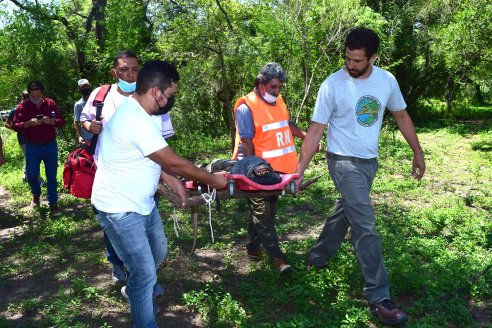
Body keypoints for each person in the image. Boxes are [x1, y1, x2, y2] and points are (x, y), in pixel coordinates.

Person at [295, 27, 425, 326]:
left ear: (373, 57)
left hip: (369, 162)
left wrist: (417, 152)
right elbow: (315, 129)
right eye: (348, 59)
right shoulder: (332, 85)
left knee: (347, 211)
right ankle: (379, 297)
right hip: (341, 160)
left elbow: (401, 115)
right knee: (365, 224)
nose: (351, 66)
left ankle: (317, 258)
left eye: (357, 61)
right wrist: (299, 171)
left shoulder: (386, 80)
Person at [92, 59, 227, 327]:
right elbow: (174, 160)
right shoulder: (134, 119)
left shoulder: (146, 115)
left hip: (142, 203)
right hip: (119, 210)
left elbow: (154, 157)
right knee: (143, 275)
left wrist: (171, 179)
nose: (169, 101)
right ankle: (141, 303)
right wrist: (214, 180)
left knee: (159, 251)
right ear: (155, 91)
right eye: (169, 95)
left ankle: (134, 290)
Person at [80, 51, 174, 287]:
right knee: (117, 230)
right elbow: (83, 119)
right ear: (115, 72)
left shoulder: (155, 97)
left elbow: (162, 142)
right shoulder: (101, 95)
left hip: (145, 176)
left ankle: (144, 276)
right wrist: (90, 125)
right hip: (111, 177)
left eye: (134, 69)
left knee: (147, 233)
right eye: (124, 69)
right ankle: (123, 267)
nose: (130, 74)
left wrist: (169, 174)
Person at [232, 62, 307, 274]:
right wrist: (253, 174)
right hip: (256, 171)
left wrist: (304, 136)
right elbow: (247, 144)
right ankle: (278, 259)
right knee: (263, 213)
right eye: (273, 87)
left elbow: (286, 124)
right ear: (261, 84)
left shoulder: (278, 101)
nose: (277, 91)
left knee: (267, 211)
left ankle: (253, 247)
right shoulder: (247, 107)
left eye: (280, 87)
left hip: (277, 171)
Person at [12, 80, 65, 213]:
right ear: (29, 94)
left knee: (51, 176)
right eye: (33, 96)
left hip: (50, 145)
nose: (36, 98)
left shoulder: (50, 103)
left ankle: (53, 203)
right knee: (31, 175)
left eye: (38, 95)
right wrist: (28, 123)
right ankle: (36, 194)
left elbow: (61, 121)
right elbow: (15, 125)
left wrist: (51, 121)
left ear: (42, 93)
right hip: (32, 146)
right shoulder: (23, 106)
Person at [5, 91, 43, 184]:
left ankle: (25, 177)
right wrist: (18, 129)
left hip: (33, 137)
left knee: (31, 157)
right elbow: (6, 124)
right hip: (23, 139)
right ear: (23, 98)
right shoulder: (15, 110)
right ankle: (37, 180)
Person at [73, 79, 93, 144]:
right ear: (79, 89)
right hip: (87, 138)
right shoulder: (78, 105)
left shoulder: (98, 100)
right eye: (83, 87)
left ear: (90, 86)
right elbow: (76, 122)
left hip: (101, 135)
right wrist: (79, 136)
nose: (85, 88)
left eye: (86, 86)